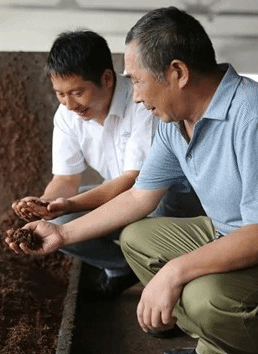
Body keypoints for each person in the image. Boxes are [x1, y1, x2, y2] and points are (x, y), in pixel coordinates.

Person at [6, 7, 258, 354]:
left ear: (178, 73)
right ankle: (224, 343)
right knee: (137, 238)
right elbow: (139, 197)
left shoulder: (254, 115)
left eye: (136, 81)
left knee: (207, 296)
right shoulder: (176, 123)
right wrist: (62, 233)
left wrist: (175, 272)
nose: (135, 96)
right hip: (233, 232)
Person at [11, 29, 203, 303]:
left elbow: (133, 181)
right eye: (60, 94)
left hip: (165, 201)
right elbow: (65, 179)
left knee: (149, 218)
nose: (69, 104)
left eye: (77, 92)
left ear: (107, 78)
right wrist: (45, 205)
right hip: (124, 199)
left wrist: (70, 204)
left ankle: (169, 291)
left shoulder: (142, 104)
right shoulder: (66, 116)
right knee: (59, 221)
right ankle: (123, 267)